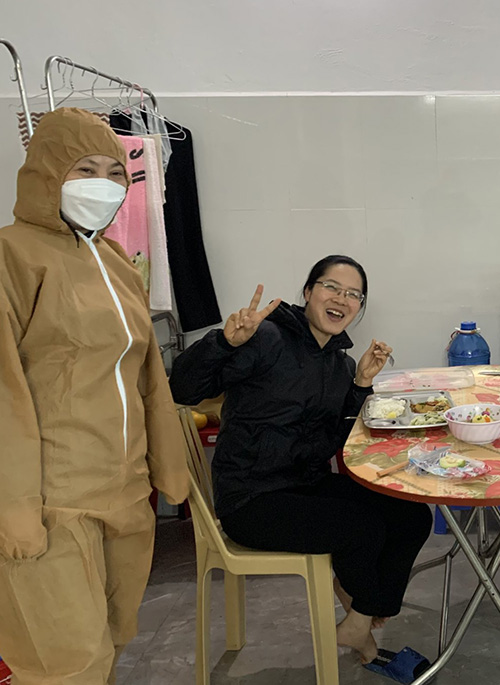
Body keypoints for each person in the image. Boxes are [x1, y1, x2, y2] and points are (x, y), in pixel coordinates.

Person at [0, 108, 189, 684]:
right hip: (52, 501)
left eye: (115, 173)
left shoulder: (115, 263)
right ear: (47, 173)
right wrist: (13, 509)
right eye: (85, 168)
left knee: (111, 638)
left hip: (125, 493)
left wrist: (168, 467)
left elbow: (148, 374)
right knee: (64, 662)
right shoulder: (13, 254)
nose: (102, 186)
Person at [169, 255, 433, 663]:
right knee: (360, 529)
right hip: (251, 498)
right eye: (331, 287)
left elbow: (340, 445)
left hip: (304, 485)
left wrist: (361, 385)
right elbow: (180, 390)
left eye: (353, 294)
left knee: (412, 516)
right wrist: (223, 342)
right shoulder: (266, 338)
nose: (341, 300)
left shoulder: (341, 364)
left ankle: (361, 617)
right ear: (308, 293)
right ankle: (362, 618)